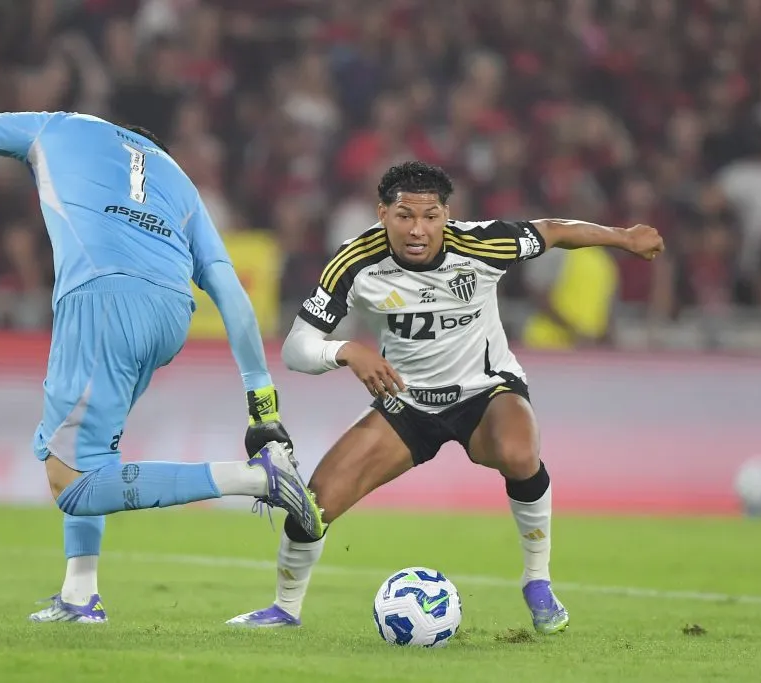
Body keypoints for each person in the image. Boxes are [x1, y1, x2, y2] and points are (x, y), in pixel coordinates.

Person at [0, 110, 325, 623]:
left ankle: (258, 480)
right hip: (171, 313)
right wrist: (262, 407)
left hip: (101, 298)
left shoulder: (56, 127)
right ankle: (80, 594)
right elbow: (231, 295)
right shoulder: (180, 182)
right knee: (89, 450)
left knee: (73, 482)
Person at [227, 161, 664, 634]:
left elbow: (554, 230)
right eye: (404, 216)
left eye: (430, 216)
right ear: (382, 214)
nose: (418, 230)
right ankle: (284, 608)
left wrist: (624, 237)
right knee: (316, 503)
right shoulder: (354, 261)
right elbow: (297, 347)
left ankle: (537, 581)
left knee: (520, 453)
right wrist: (347, 351)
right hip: (408, 404)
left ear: (446, 215)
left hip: (486, 390)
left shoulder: (480, 243)